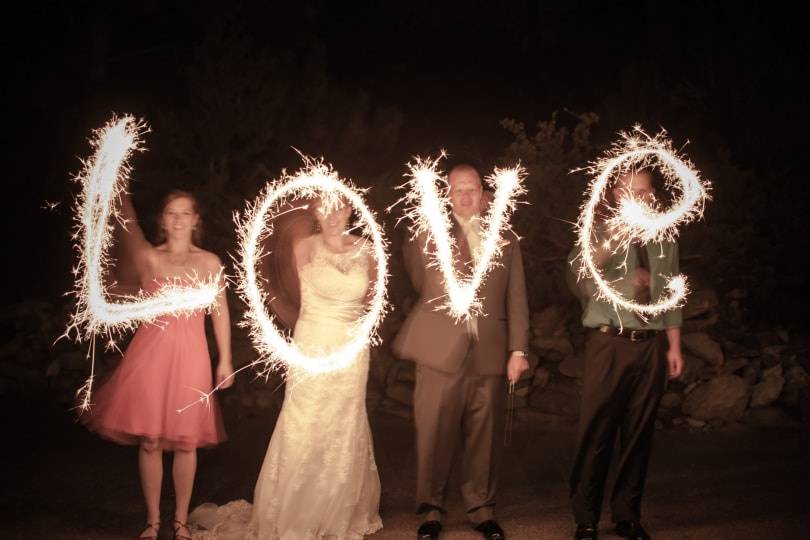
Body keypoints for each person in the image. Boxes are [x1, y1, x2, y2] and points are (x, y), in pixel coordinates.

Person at [192, 196, 382, 540]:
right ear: (315, 212)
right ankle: (295, 509)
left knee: (345, 419)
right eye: (325, 207)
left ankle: (336, 508)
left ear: (351, 210)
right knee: (305, 420)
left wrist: (356, 337)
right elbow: (276, 287)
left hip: (352, 351)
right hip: (312, 344)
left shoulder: (368, 249)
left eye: (340, 207)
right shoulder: (303, 247)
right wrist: (294, 323)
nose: (333, 214)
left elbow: (372, 304)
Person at [82, 189, 232, 540]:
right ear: (162, 219)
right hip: (150, 357)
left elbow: (220, 313)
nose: (178, 220)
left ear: (196, 220)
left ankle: (179, 521)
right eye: (171, 213)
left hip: (191, 357)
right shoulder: (148, 258)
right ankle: (152, 521)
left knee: (186, 441)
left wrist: (224, 358)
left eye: (185, 213)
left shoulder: (210, 262)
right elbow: (114, 270)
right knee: (149, 440)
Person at [393, 163, 530, 540]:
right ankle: (431, 511)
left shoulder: (505, 237)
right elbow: (423, 283)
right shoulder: (426, 234)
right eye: (458, 190)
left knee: (484, 437)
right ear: (447, 195)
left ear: (485, 192)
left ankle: (482, 508)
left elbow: (516, 296)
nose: (466, 196)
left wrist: (518, 348)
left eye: (472, 188)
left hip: (488, 350)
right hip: (440, 351)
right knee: (434, 432)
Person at [567, 169, 684, 540]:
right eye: (629, 190)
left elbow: (672, 294)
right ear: (617, 194)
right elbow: (579, 276)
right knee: (596, 432)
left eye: (644, 191)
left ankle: (627, 516)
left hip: (649, 346)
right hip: (608, 344)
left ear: (653, 196)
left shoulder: (665, 238)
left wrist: (674, 345)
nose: (637, 196)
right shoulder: (599, 232)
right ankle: (586, 518)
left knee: (638, 434)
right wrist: (623, 275)